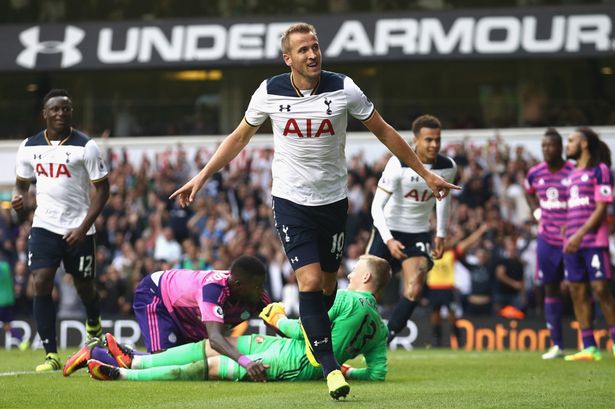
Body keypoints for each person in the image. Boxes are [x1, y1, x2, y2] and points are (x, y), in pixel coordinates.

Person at [169, 23, 459, 399]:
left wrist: (425, 174)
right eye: (303, 50)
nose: (312, 55)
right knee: (307, 282)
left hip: (333, 203)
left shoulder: (343, 88)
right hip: (291, 202)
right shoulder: (269, 91)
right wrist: (202, 176)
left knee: (325, 287)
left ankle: (314, 339)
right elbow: (239, 136)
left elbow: (384, 131)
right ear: (288, 58)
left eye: (316, 48)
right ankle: (330, 369)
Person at [86, 255, 391, 388]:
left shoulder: (345, 300)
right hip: (159, 297)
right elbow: (377, 374)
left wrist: (282, 322)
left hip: (289, 359)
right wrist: (343, 369)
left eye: (355, 271)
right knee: (210, 349)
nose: (349, 274)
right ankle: (120, 364)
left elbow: (308, 334)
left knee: (204, 361)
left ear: (364, 277)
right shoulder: (381, 326)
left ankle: (114, 364)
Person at [11, 89, 110, 372]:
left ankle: (93, 323)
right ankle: (51, 354)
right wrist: (19, 200)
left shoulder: (86, 147)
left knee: (84, 287)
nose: (60, 113)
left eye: (65, 109)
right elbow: (21, 184)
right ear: (44, 113)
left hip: (79, 229)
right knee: (40, 282)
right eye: (54, 109)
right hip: (44, 225)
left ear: (71, 112)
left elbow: (103, 191)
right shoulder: (28, 147)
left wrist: (83, 227)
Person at [64, 255, 271, 382]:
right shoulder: (213, 289)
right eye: (257, 286)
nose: (261, 291)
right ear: (237, 285)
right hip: (157, 296)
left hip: (189, 318)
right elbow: (216, 339)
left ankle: (124, 353)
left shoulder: (254, 294)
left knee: (190, 361)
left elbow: (278, 320)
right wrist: (246, 361)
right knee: (160, 363)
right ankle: (95, 351)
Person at [366, 114, 457, 343]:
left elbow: (443, 198)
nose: (434, 145)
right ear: (415, 140)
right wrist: (388, 239)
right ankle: (347, 338)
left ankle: (386, 339)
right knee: (365, 293)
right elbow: (376, 207)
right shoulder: (398, 163)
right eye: (428, 140)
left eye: (437, 139)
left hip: (417, 232)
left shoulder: (448, 167)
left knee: (415, 288)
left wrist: (441, 234)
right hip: (387, 230)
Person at [562, 127, 615, 361]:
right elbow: (575, 208)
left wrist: (580, 234)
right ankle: (590, 346)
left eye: (571, 140)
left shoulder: (601, 170)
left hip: (593, 241)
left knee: (600, 289)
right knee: (577, 291)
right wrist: (567, 230)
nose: (568, 144)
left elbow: (602, 207)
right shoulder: (572, 174)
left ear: (583, 144)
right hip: (572, 242)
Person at [524, 128, 575, 359]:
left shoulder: (573, 171)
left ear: (560, 147)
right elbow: (529, 191)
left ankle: (589, 340)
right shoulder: (535, 173)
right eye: (544, 146)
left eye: (551, 146)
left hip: (572, 238)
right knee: (550, 287)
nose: (547, 149)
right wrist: (535, 210)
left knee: (580, 287)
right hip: (546, 239)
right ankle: (557, 344)